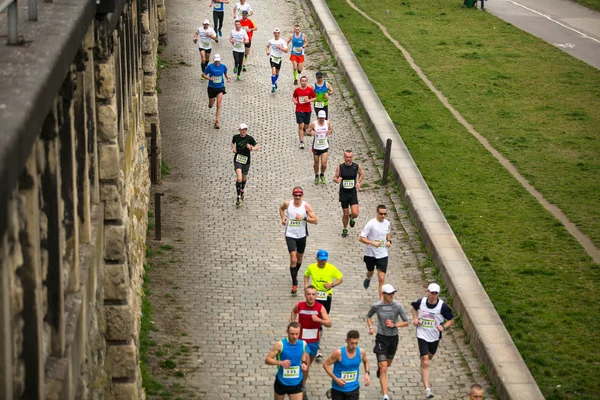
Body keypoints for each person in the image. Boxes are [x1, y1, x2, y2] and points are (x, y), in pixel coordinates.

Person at [411, 283, 455, 399]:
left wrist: (444, 327)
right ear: (427, 291)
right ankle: (427, 390)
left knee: (429, 357)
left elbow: (450, 319)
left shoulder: (442, 306)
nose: (433, 295)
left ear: (438, 294)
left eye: (435, 293)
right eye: (431, 292)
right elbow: (414, 308)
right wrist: (415, 318)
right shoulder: (421, 302)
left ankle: (424, 361)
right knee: (425, 362)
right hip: (422, 334)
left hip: (434, 337)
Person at [366, 284, 409, 400]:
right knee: (384, 367)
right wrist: (370, 327)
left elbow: (406, 322)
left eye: (393, 293)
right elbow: (368, 316)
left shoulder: (398, 306)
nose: (391, 296)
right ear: (383, 294)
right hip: (381, 337)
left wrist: (395, 325)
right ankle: (385, 395)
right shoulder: (376, 306)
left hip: (393, 339)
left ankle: (380, 368)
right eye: (389, 294)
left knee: (387, 365)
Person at [291, 286, 332, 400]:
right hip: (301, 341)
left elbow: (329, 323)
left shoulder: (320, 308)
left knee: (307, 365)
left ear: (316, 295)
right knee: (306, 363)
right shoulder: (300, 305)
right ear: (305, 295)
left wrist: (319, 320)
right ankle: (301, 388)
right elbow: (294, 311)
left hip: (314, 341)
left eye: (313, 294)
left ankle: (300, 382)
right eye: (308, 294)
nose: (311, 296)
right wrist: (293, 323)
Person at [303, 249, 343, 362]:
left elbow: (340, 278)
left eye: (324, 260)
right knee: (314, 321)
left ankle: (316, 342)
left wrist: (332, 284)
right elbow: (306, 275)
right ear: (317, 259)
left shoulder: (331, 268)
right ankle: (316, 347)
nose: (322, 262)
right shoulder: (312, 267)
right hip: (314, 297)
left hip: (326, 298)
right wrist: (306, 286)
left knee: (321, 321)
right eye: (321, 260)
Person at [280, 187, 318, 295]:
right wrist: (283, 218)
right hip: (290, 234)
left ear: (302, 195)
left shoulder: (306, 206)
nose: (297, 197)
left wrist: (304, 218)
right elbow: (281, 209)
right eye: (295, 195)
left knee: (299, 259)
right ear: (293, 195)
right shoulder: (288, 204)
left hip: (301, 235)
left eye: (299, 195)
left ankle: (295, 273)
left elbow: (315, 220)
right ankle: (294, 283)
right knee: (293, 259)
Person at [265, 321, 309, 400]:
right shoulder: (280, 345)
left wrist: (303, 362)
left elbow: (303, 353)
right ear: (287, 332)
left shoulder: (303, 344)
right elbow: (267, 360)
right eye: (292, 334)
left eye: (297, 334)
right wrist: (280, 362)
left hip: (296, 382)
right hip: (282, 382)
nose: (294, 336)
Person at [323, 330, 371, 400]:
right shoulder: (339, 353)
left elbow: (366, 361)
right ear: (346, 341)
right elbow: (325, 364)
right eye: (352, 343)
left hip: (354, 389)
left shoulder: (361, 352)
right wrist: (336, 379)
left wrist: (367, 373)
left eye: (356, 343)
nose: (354, 346)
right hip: (338, 389)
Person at [359, 204, 391, 298]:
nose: (383, 216)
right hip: (370, 253)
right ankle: (368, 278)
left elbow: (388, 234)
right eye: (381, 214)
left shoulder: (387, 223)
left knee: (381, 279)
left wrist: (389, 241)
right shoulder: (371, 224)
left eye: (385, 214)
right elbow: (361, 238)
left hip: (383, 254)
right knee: (370, 271)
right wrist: (372, 243)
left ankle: (382, 301)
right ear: (377, 212)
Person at [334, 150, 363, 236]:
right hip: (343, 193)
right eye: (346, 157)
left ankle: (352, 217)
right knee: (345, 213)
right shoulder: (340, 167)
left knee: (355, 213)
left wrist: (358, 182)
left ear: (352, 158)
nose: (348, 159)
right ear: (344, 158)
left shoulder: (356, 166)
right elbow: (335, 177)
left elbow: (361, 174)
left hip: (352, 193)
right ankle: (345, 229)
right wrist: (337, 180)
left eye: (350, 157)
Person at [231, 123, 258, 206]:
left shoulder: (249, 138)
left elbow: (257, 146)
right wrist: (233, 148)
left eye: (245, 129)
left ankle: (242, 190)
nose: (244, 131)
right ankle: (238, 197)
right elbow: (232, 142)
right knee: (239, 178)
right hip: (238, 159)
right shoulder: (236, 137)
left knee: (244, 178)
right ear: (239, 130)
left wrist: (251, 148)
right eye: (242, 129)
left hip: (246, 161)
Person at [202, 54, 231, 129]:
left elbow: (225, 73)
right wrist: (209, 78)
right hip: (211, 87)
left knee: (219, 104)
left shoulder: (223, 66)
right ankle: (212, 101)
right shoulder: (210, 67)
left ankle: (217, 122)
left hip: (220, 87)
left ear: (220, 60)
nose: (217, 62)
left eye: (218, 61)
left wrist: (228, 78)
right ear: (214, 60)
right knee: (210, 105)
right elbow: (203, 75)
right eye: (216, 61)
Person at [305, 111, 332, 185]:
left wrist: (329, 131)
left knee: (323, 164)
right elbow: (307, 132)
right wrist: (310, 133)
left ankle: (322, 174)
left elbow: (330, 129)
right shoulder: (313, 124)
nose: (321, 119)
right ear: (318, 117)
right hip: (316, 146)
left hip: (324, 146)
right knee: (316, 163)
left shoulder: (327, 123)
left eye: (323, 118)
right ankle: (316, 175)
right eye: (320, 118)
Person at [292, 76, 316, 149]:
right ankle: (301, 142)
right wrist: (295, 101)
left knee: (305, 126)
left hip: (307, 110)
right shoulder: (297, 90)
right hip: (299, 110)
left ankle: (305, 130)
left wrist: (308, 100)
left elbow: (315, 98)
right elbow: (293, 96)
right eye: (302, 81)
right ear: (300, 82)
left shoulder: (310, 90)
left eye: (305, 81)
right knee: (300, 126)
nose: (304, 82)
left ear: (307, 82)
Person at [266, 28, 288, 93]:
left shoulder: (282, 42)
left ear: (279, 34)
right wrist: (267, 51)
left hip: (279, 59)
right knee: (273, 72)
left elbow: (286, 51)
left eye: (278, 33)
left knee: (277, 73)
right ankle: (273, 86)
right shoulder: (271, 41)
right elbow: (267, 46)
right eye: (275, 33)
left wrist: (280, 48)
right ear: (273, 34)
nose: (276, 34)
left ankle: (275, 82)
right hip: (272, 57)